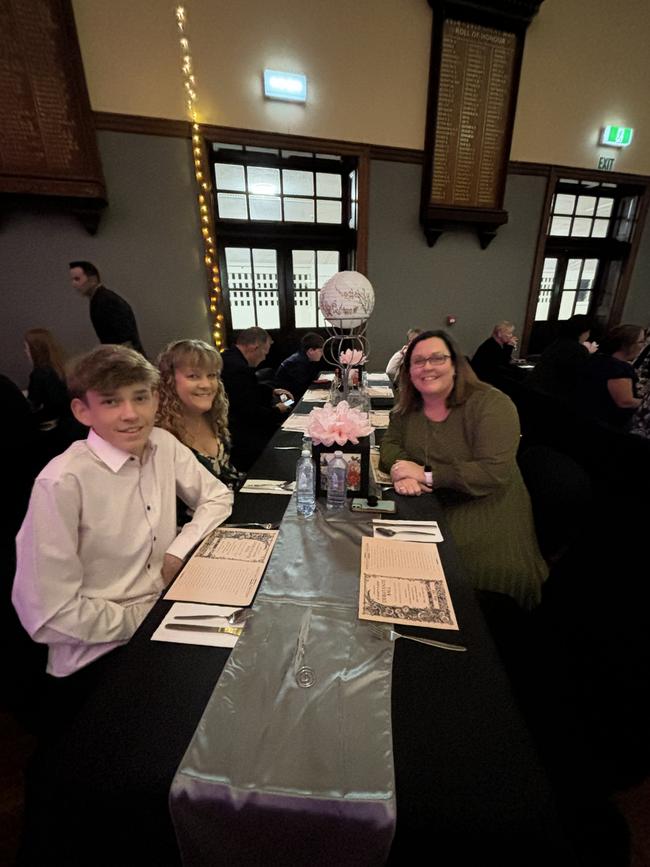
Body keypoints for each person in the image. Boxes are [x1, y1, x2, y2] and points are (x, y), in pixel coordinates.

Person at [12, 345, 233, 684]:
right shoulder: (62, 483)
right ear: (83, 411)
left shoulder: (162, 444)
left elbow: (217, 496)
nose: (131, 414)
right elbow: (48, 614)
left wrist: (179, 549)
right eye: (111, 401)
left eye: (140, 397)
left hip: (165, 614)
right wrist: (144, 617)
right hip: (98, 650)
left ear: (157, 399)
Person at [380, 329, 546, 609]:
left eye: (437, 358)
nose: (427, 367)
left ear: (456, 363)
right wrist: (401, 467)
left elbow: (491, 473)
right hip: (430, 502)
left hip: (486, 512)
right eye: (417, 361)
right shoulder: (411, 403)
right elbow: (390, 443)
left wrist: (426, 475)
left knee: (416, 574)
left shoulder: (492, 404)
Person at [157, 339, 244, 490]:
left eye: (211, 375)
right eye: (193, 376)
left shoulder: (213, 417)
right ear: (169, 381)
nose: (206, 385)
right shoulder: (160, 435)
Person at [220, 327, 292, 470]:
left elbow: (248, 390)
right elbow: (248, 412)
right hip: (238, 434)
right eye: (265, 352)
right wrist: (277, 410)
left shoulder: (230, 357)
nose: (265, 357)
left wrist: (272, 392)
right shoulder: (236, 368)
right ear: (254, 347)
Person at [69, 260, 146, 355]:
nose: (74, 284)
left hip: (126, 359)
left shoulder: (105, 301)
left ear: (93, 279)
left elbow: (124, 339)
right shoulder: (102, 299)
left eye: (77, 279)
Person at [578, 324, 645, 428]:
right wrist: (645, 403)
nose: (643, 346)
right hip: (606, 423)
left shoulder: (597, 358)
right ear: (627, 345)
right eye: (641, 342)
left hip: (586, 415)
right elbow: (624, 401)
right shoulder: (618, 368)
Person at [528, 314, 598, 402]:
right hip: (554, 397)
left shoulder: (557, 343)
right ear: (583, 332)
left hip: (536, 391)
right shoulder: (578, 350)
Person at [24, 327, 70, 427]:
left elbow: (33, 404)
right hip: (67, 419)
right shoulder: (61, 368)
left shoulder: (39, 374)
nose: (25, 352)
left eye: (27, 348)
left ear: (34, 350)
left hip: (54, 420)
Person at [274, 332, 325, 400]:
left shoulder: (305, 358)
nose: (322, 354)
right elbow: (301, 389)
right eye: (320, 351)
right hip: (286, 400)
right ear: (310, 350)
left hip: (294, 394)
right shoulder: (297, 363)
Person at [471, 321, 518, 385]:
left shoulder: (497, 343)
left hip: (490, 376)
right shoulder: (491, 345)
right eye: (509, 333)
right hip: (484, 379)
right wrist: (510, 346)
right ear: (499, 334)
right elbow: (503, 363)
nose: (511, 336)